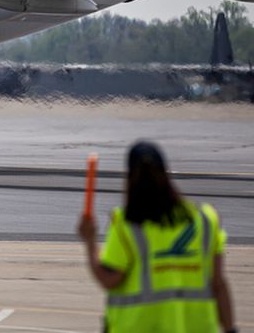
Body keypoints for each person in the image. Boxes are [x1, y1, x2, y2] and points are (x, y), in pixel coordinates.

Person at [78, 140, 237, 333]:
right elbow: (218, 284)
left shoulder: (127, 223)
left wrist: (89, 241)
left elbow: (109, 279)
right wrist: (230, 330)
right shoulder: (205, 219)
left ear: (129, 178)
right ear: (165, 173)